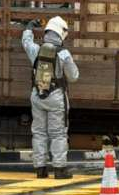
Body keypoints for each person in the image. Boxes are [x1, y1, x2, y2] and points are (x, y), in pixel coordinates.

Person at [22, 16, 79, 179]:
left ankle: (40, 169)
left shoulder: (36, 50)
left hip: (37, 95)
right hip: (55, 97)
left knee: (39, 132)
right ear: (60, 33)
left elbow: (26, 42)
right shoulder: (63, 53)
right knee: (58, 133)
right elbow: (74, 76)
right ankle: (60, 169)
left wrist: (28, 28)